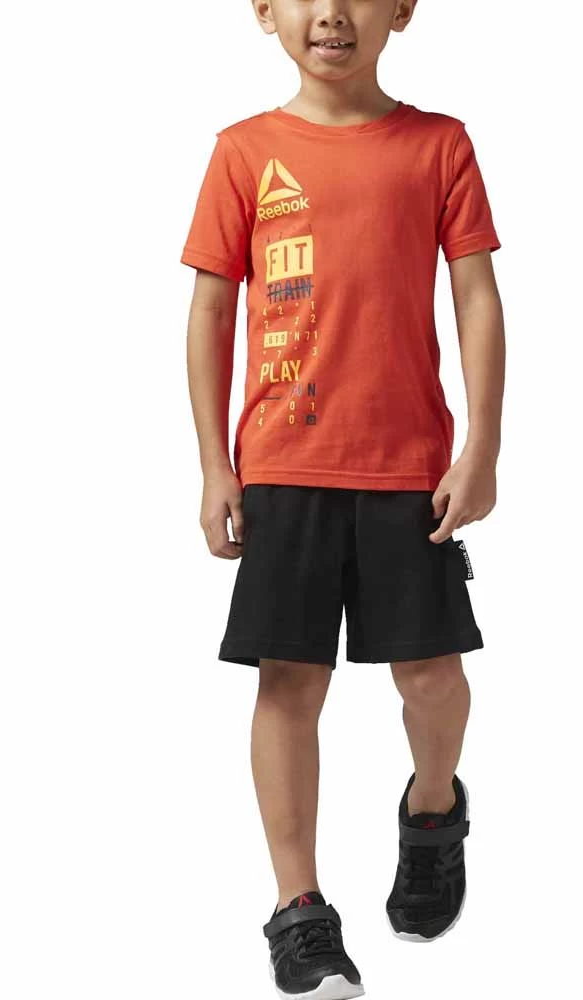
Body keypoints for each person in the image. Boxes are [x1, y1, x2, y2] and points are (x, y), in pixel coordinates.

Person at [181, 2, 504, 997]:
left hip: (407, 466)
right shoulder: (243, 153)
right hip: (284, 464)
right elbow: (211, 309)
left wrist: (482, 446)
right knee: (289, 684)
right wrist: (215, 464)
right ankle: (299, 910)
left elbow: (476, 297)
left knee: (432, 677)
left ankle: (433, 814)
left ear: (401, 9)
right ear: (265, 12)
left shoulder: (438, 146)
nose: (331, 12)